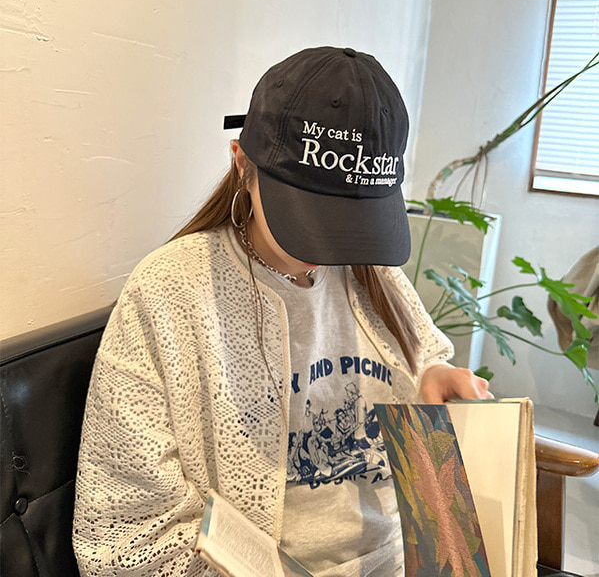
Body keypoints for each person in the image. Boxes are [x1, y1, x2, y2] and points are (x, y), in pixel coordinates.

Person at [73, 46, 492, 577]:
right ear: (242, 164)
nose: (333, 247)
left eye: (354, 221)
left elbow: (420, 353)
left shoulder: (371, 273)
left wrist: (430, 376)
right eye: (313, 215)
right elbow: (123, 539)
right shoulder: (169, 292)